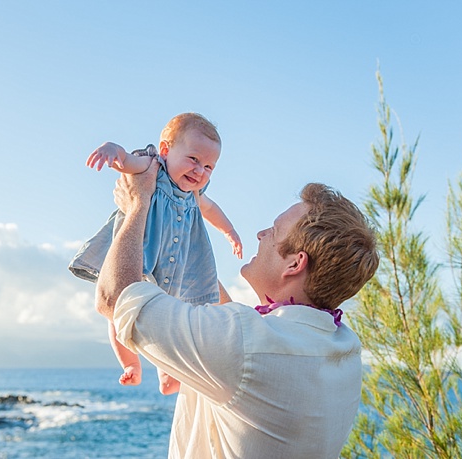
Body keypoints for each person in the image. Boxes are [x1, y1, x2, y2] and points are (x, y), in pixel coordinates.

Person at [96, 160, 379, 458]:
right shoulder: (344, 348)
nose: (261, 234)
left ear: (295, 263)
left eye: (274, 230)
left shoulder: (245, 344)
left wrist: (137, 206)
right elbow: (237, 340)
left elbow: (115, 298)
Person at [70, 113, 242, 394]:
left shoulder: (194, 192)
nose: (200, 171)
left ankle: (168, 371)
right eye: (194, 159)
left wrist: (229, 231)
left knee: (171, 313)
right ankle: (130, 364)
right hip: (138, 254)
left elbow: (209, 208)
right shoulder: (152, 167)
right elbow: (127, 161)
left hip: (175, 264)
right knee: (120, 307)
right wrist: (113, 150)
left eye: (209, 166)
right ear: (165, 151)